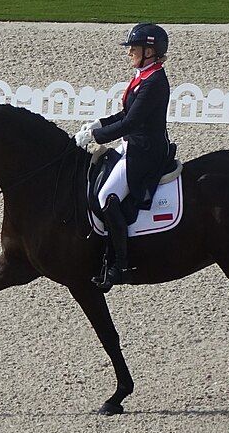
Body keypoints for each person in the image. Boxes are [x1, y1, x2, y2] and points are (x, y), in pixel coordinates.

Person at [74, 23, 172, 290]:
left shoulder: (155, 82)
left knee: (107, 197)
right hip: (133, 144)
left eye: (133, 48)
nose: (129, 53)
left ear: (149, 51)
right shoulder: (144, 76)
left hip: (146, 151)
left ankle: (121, 265)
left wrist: (97, 138)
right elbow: (124, 116)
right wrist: (97, 124)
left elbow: (130, 123)